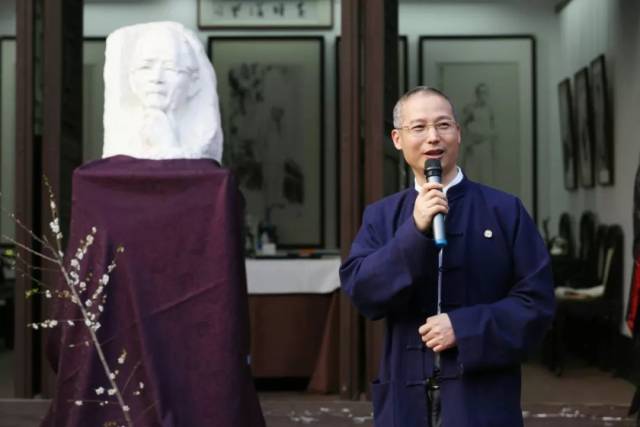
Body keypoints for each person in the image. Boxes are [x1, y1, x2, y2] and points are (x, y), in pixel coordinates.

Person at [340, 86, 555, 426]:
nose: (432, 138)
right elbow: (364, 293)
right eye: (419, 127)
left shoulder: (504, 210)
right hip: (404, 395)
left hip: (481, 397)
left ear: (459, 133)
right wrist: (415, 230)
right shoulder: (381, 216)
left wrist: (465, 327)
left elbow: (537, 303)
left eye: (443, 125)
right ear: (397, 139)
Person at [102, 21, 223, 161]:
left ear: (193, 83)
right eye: (146, 67)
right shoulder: (122, 137)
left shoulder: (200, 135)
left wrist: (169, 145)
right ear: (132, 79)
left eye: (170, 68)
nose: (156, 78)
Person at [460, 83, 497, 184]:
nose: (482, 96)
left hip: (486, 147)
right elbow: (461, 126)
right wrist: (469, 141)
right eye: (480, 93)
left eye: (485, 93)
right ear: (477, 94)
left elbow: (493, 129)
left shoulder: (490, 110)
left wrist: (493, 147)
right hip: (474, 147)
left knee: (486, 178)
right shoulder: (471, 109)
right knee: (472, 176)